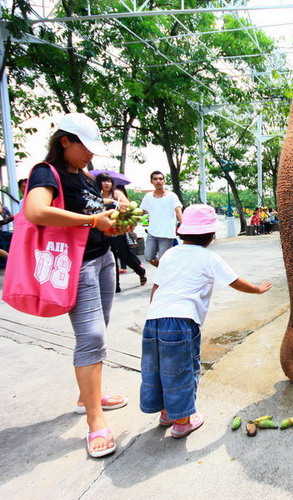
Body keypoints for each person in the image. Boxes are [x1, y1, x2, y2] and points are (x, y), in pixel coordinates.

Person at [23, 113, 128, 458]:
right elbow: (36, 211)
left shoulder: (86, 177)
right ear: (64, 141)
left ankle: (89, 396)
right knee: (92, 337)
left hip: (102, 260)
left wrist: (110, 226)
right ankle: (95, 421)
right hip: (76, 265)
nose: (90, 155)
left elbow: (93, 224)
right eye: (84, 146)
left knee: (101, 329)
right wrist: (91, 220)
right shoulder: (44, 173)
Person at [140, 204, 271, 437]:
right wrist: (257, 289)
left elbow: (156, 287)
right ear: (211, 236)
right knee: (182, 369)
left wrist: (156, 314)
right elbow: (234, 281)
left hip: (154, 319)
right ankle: (182, 421)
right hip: (181, 321)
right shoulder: (209, 257)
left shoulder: (169, 254)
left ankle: (165, 412)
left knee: (158, 367)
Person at [96, 173, 147, 292]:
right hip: (102, 230)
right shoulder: (95, 194)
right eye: (104, 181)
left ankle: (140, 271)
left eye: (109, 181)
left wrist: (112, 202)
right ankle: (116, 286)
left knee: (124, 254)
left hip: (118, 228)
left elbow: (128, 205)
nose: (107, 183)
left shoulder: (116, 193)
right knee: (111, 256)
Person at [140, 171, 183, 267]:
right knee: (148, 257)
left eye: (160, 179)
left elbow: (178, 211)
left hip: (167, 234)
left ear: (164, 181)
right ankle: (168, 271)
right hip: (152, 232)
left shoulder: (172, 196)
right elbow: (141, 211)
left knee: (164, 259)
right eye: (155, 179)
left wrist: (183, 225)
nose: (158, 181)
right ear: (151, 181)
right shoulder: (148, 196)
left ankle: (165, 276)